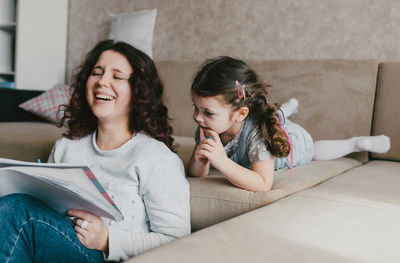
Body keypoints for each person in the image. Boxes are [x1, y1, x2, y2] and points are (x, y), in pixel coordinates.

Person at [0, 40, 191, 262]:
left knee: (16, 210)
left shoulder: (156, 158)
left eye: (117, 76)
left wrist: (108, 239)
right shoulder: (67, 147)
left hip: (107, 256)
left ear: (140, 92)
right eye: (96, 73)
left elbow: (177, 242)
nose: (102, 82)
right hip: (58, 245)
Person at [188, 56, 390, 192]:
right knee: (273, 116)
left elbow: (263, 183)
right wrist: (199, 160)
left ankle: (355, 143)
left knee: (314, 151)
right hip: (259, 119)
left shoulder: (258, 135)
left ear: (240, 114)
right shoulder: (208, 128)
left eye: (207, 112)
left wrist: (222, 162)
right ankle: (285, 109)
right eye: (196, 108)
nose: (198, 117)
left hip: (289, 140)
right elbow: (197, 174)